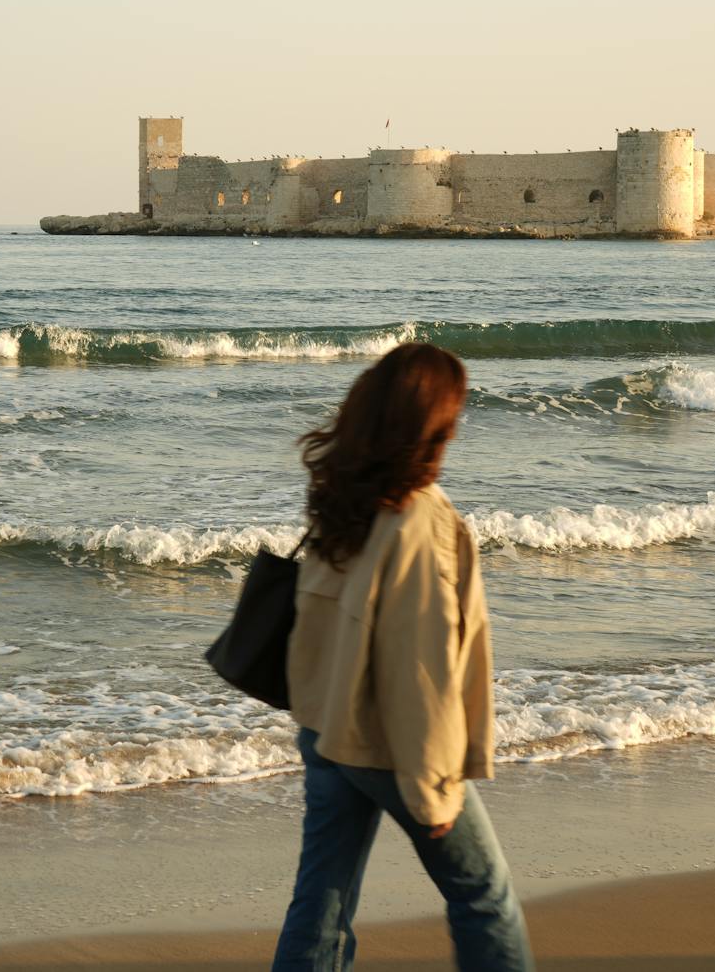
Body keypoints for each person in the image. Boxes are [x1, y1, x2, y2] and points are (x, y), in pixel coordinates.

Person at [272, 342, 532, 972]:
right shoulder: (421, 518)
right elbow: (422, 669)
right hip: (389, 747)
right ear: (430, 425)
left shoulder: (345, 494)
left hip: (326, 725)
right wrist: (432, 791)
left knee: (322, 906)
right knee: (485, 899)